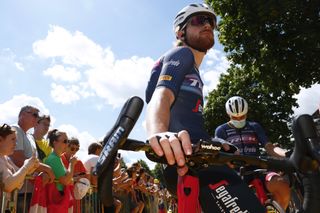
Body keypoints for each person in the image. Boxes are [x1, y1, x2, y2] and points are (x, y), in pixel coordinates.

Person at [145, 3, 249, 213]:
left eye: (210, 21)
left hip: (193, 158)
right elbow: (160, 96)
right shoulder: (182, 54)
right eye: (198, 20)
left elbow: (179, 115)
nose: (207, 25)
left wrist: (215, 142)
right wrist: (159, 135)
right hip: (190, 161)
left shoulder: (190, 68)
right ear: (180, 31)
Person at [215, 96, 291, 210]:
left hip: (258, 168)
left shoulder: (254, 126)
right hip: (235, 173)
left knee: (282, 185)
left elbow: (269, 147)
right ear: (228, 113)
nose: (239, 119)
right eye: (235, 117)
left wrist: (287, 154)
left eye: (243, 116)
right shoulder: (221, 130)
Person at [9, 105, 55, 212]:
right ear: (22, 115)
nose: (37, 118)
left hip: (30, 190)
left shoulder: (30, 137)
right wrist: (46, 169)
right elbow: (18, 158)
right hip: (17, 192)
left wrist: (41, 173)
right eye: (35, 115)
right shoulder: (15, 129)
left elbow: (34, 162)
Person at [0, 123, 39, 210]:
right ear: (0, 140)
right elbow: (8, 186)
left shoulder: (5, 159)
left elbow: (17, 181)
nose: (16, 143)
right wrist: (26, 167)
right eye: (13, 139)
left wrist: (29, 168)